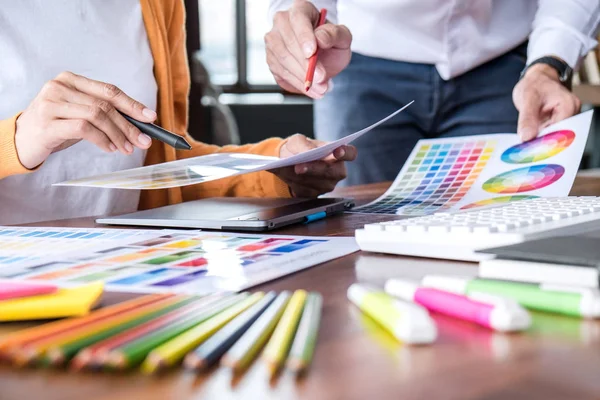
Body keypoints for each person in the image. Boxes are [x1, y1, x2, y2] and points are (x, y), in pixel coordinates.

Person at [0, 0, 357, 225]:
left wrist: (274, 169)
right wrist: (17, 141)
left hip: (127, 267)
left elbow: (162, 172)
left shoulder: (158, 6)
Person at [266, 0, 600, 186]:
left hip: (502, 63)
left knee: (501, 232)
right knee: (357, 234)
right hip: (362, 59)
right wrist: (299, 12)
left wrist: (548, 63)